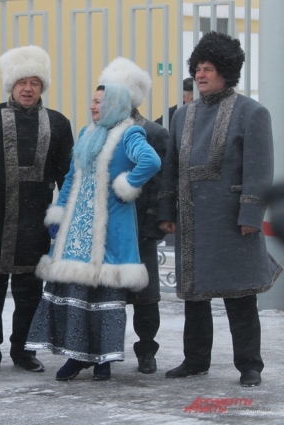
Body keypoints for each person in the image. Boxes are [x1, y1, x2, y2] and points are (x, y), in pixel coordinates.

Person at [158, 31, 282, 387]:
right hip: (195, 221)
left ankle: (250, 365)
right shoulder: (182, 116)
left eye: (208, 68)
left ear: (226, 71)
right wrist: (167, 211)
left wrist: (250, 216)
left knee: (239, 296)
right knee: (195, 296)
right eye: (197, 68)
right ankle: (195, 359)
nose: (200, 75)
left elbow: (259, 169)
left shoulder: (252, 112)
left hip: (231, 222)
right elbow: (171, 167)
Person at [25, 84, 161, 381]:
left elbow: (151, 161)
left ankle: (103, 360)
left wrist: (127, 185)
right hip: (78, 230)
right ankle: (77, 356)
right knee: (77, 292)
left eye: (99, 102)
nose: (92, 106)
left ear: (114, 105)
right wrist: (59, 211)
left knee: (105, 294)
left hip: (110, 229)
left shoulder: (129, 133)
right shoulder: (88, 134)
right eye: (92, 101)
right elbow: (72, 176)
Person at [0, 45, 73, 372]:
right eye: (22, 82)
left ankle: (24, 351)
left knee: (29, 293)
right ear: (10, 85)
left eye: (35, 83)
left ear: (43, 87)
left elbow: (66, 175)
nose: (28, 89)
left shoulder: (58, 123)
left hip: (34, 223)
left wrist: (64, 216)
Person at [97, 57, 169, 374]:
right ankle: (105, 351)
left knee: (145, 296)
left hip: (141, 226)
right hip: (107, 227)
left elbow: (163, 181)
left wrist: (156, 221)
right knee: (107, 296)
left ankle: (146, 352)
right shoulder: (98, 132)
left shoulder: (153, 132)